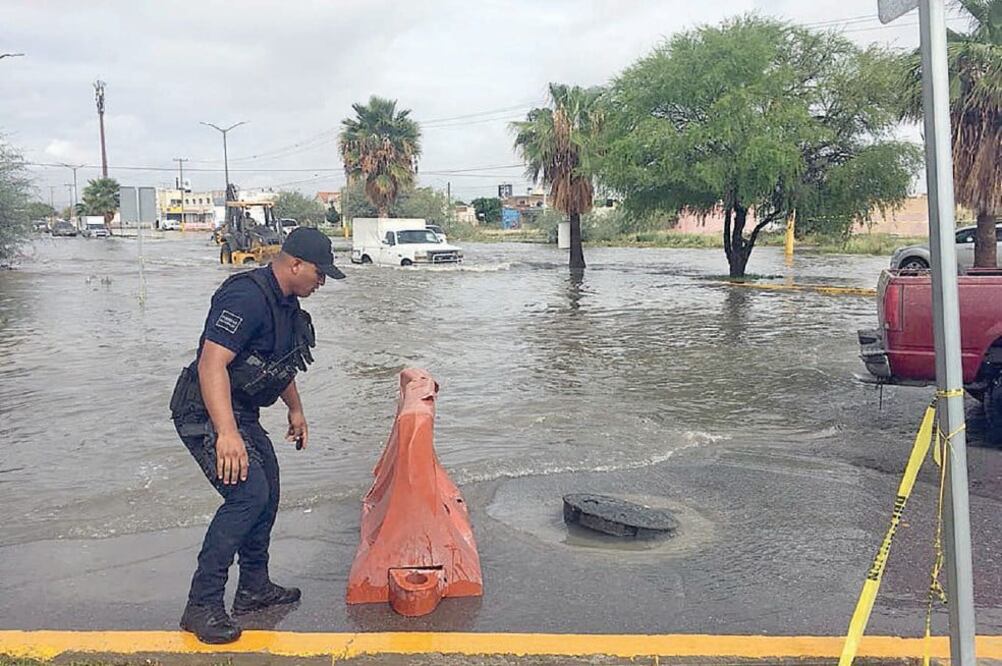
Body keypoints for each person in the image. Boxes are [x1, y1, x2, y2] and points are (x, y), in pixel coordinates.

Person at [169, 227, 345, 644]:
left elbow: (277, 362)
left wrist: (296, 409)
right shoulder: (245, 296)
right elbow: (212, 364)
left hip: (240, 410)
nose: (322, 282)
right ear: (295, 264)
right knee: (247, 495)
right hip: (205, 411)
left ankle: (253, 589)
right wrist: (226, 434)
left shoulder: (286, 303)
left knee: (270, 489)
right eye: (320, 274)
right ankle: (201, 604)